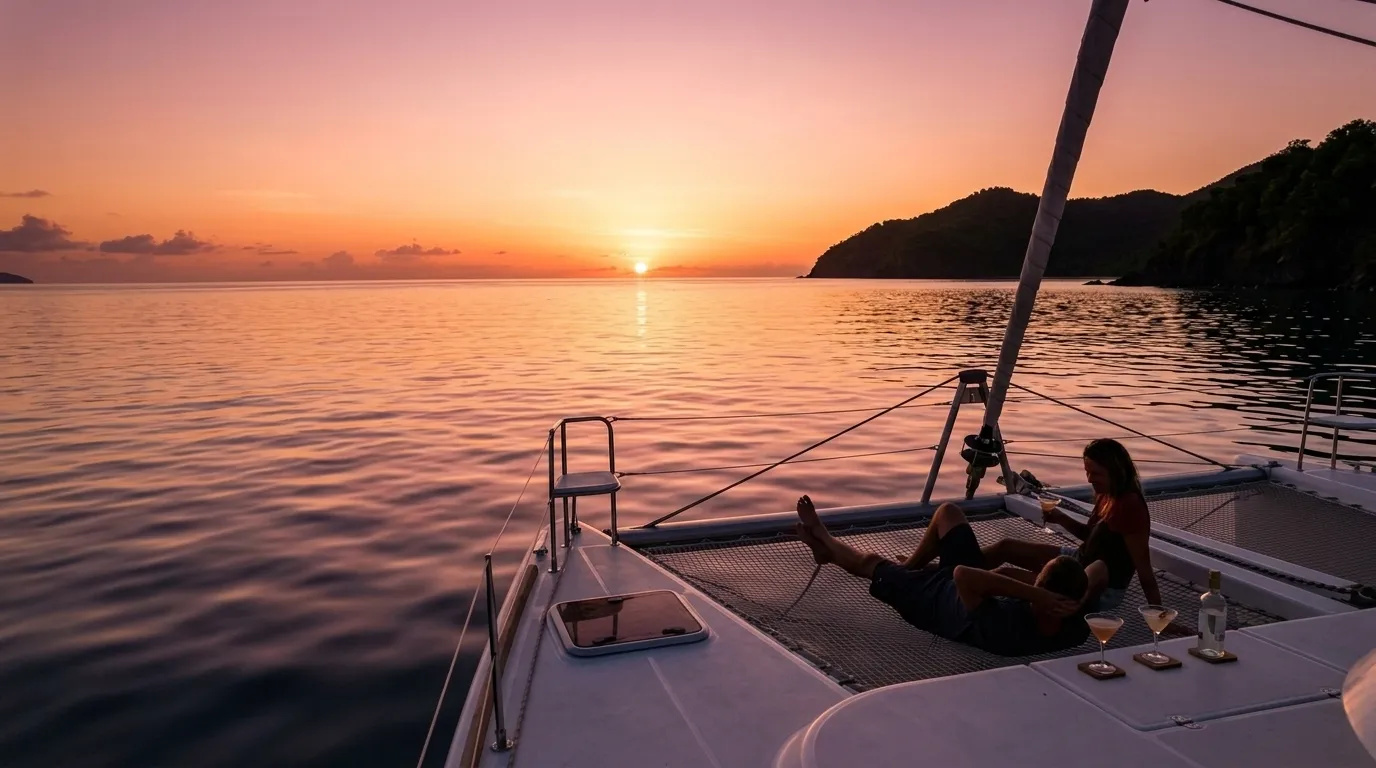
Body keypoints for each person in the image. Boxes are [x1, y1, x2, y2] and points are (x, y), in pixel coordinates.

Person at [793, 495, 1099, 656]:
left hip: (932, 601)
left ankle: (825, 542)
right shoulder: (1075, 627)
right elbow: (1098, 569)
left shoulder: (1007, 630)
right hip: (968, 584)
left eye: (1036, 579)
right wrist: (1077, 598)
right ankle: (911, 565)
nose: (1032, 581)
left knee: (870, 563)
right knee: (949, 513)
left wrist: (1037, 593)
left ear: (1042, 596)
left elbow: (963, 575)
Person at [981, 438, 1161, 610]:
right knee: (1005, 547)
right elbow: (1089, 536)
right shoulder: (1106, 493)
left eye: (1096, 473)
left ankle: (962, 593)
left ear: (1115, 472)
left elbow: (1144, 569)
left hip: (1097, 586)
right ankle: (954, 570)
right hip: (1079, 559)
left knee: (1003, 576)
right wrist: (1060, 518)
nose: (1090, 479)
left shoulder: (1130, 506)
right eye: (1087, 472)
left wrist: (1159, 614)